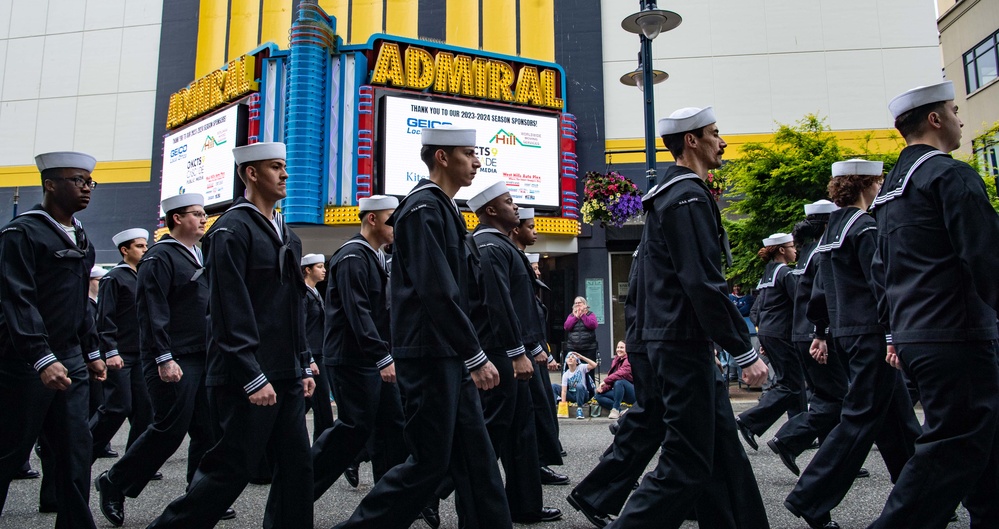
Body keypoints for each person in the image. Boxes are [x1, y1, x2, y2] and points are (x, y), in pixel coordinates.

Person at [333, 127, 509, 529]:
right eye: (468, 153)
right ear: (442, 157)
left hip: (445, 352)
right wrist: (475, 354)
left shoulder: (441, 207)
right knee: (427, 464)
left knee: (476, 461)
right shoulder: (423, 208)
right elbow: (437, 290)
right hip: (430, 354)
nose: (477, 161)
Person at [606, 106, 770, 529]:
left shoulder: (675, 193)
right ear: (692, 141)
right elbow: (702, 283)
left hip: (675, 339)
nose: (723, 141)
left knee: (720, 455)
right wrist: (743, 350)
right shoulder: (688, 196)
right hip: (682, 342)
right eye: (715, 133)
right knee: (688, 462)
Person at [148, 142, 315, 529]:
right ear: (251, 174)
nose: (285, 174)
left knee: (296, 470)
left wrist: (302, 361)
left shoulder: (285, 232)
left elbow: (293, 305)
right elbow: (227, 308)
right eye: (276, 167)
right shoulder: (230, 229)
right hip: (247, 375)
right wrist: (251, 372)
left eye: (285, 167)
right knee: (229, 470)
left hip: (285, 371)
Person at [868, 81, 999, 528]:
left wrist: (892, 333)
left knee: (986, 450)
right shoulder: (949, 174)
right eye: (955, 110)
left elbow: (882, 272)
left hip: (918, 336)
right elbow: (986, 254)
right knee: (951, 450)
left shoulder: (889, 194)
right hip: (957, 333)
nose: (962, 119)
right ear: (936, 119)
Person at [784, 159, 921, 529]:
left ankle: (921, 495)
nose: (880, 187)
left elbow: (818, 292)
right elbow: (882, 283)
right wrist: (893, 334)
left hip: (848, 333)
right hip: (872, 334)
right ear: (867, 184)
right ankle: (810, 497)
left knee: (900, 422)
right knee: (860, 420)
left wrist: (822, 330)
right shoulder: (864, 227)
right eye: (877, 181)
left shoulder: (832, 231)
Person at [95, 193, 235, 526]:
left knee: (207, 429)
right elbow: (152, 311)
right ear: (176, 219)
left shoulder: (198, 254)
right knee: (169, 430)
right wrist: (163, 357)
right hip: (173, 358)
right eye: (196, 214)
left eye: (204, 214)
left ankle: (198, 495)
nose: (203, 219)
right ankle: (114, 481)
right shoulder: (160, 257)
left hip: (202, 356)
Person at [0, 150, 106, 528]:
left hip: (71, 359)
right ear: (50, 184)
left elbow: (79, 302)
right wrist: (41, 357)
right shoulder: (21, 232)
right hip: (24, 362)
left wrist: (91, 350)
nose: (86, 188)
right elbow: (18, 299)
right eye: (77, 180)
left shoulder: (80, 236)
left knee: (75, 452)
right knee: (9, 451)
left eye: (89, 181)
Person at [467, 181, 561, 523]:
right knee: (490, 433)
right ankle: (431, 490)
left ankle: (525, 506)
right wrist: (516, 352)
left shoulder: (499, 244)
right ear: (491, 210)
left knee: (522, 432)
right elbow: (498, 304)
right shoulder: (488, 246)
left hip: (509, 351)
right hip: (498, 353)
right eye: (509, 202)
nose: (516, 208)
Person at [312, 196, 407, 502]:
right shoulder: (354, 256)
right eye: (390, 218)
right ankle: (297, 490)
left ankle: (389, 501)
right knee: (353, 429)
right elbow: (358, 312)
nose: (396, 226)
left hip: (374, 358)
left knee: (392, 427)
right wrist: (382, 356)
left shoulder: (376, 256)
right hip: (354, 359)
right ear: (372, 219)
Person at [768, 200, 852, 476]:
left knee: (826, 396)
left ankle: (832, 458)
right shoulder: (821, 252)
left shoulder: (806, 253)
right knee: (836, 398)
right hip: (817, 334)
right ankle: (790, 439)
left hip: (803, 334)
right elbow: (822, 296)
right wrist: (824, 334)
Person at [510, 209, 567, 486]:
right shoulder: (508, 257)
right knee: (512, 423)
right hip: (523, 355)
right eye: (530, 227)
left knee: (538, 416)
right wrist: (530, 350)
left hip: (534, 354)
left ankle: (539, 465)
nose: (535, 232)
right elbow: (515, 315)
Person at [736, 232, 805, 450]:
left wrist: (765, 334)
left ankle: (799, 430)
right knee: (791, 384)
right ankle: (750, 421)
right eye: (792, 246)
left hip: (769, 331)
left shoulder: (767, 275)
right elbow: (800, 303)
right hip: (783, 332)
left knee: (792, 382)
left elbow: (758, 309)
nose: (796, 250)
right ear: (782, 250)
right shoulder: (785, 273)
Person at [90, 228, 153, 463]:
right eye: (139, 246)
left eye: (145, 245)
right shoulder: (113, 277)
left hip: (141, 354)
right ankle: (83, 448)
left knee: (145, 409)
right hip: (120, 354)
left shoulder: (143, 275)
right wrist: (111, 350)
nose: (145, 250)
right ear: (125, 250)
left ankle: (135, 462)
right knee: (118, 407)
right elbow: (105, 318)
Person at [301, 253, 334, 441]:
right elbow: (301, 329)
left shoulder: (315, 293)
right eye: (320, 267)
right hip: (313, 357)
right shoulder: (304, 295)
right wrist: (309, 358)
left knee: (314, 406)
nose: (324, 270)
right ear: (307, 270)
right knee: (322, 409)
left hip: (320, 355)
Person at [594, 341, 634, 420]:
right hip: (620, 392)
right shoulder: (616, 360)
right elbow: (611, 379)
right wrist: (603, 388)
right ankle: (620, 411)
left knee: (619, 382)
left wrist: (605, 381)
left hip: (633, 392)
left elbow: (620, 374)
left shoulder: (629, 359)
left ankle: (615, 409)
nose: (619, 349)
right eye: (618, 347)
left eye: (622, 348)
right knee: (599, 396)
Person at [553, 352, 596, 419]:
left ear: (576, 362)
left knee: (579, 386)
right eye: (568, 357)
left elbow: (594, 365)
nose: (570, 358)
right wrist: (563, 405)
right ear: (566, 361)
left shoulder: (581, 368)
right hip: (572, 395)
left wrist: (581, 357)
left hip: (583, 394)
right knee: (554, 386)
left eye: (573, 357)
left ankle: (579, 409)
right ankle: (553, 407)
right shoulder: (566, 374)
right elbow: (564, 391)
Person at [564, 297, 598, 363]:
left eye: (579, 303)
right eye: (575, 303)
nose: (577, 304)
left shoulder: (590, 314)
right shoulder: (571, 316)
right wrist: (576, 317)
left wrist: (583, 315)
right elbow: (566, 327)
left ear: (584, 304)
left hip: (589, 348)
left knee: (588, 370)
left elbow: (593, 325)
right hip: (573, 348)